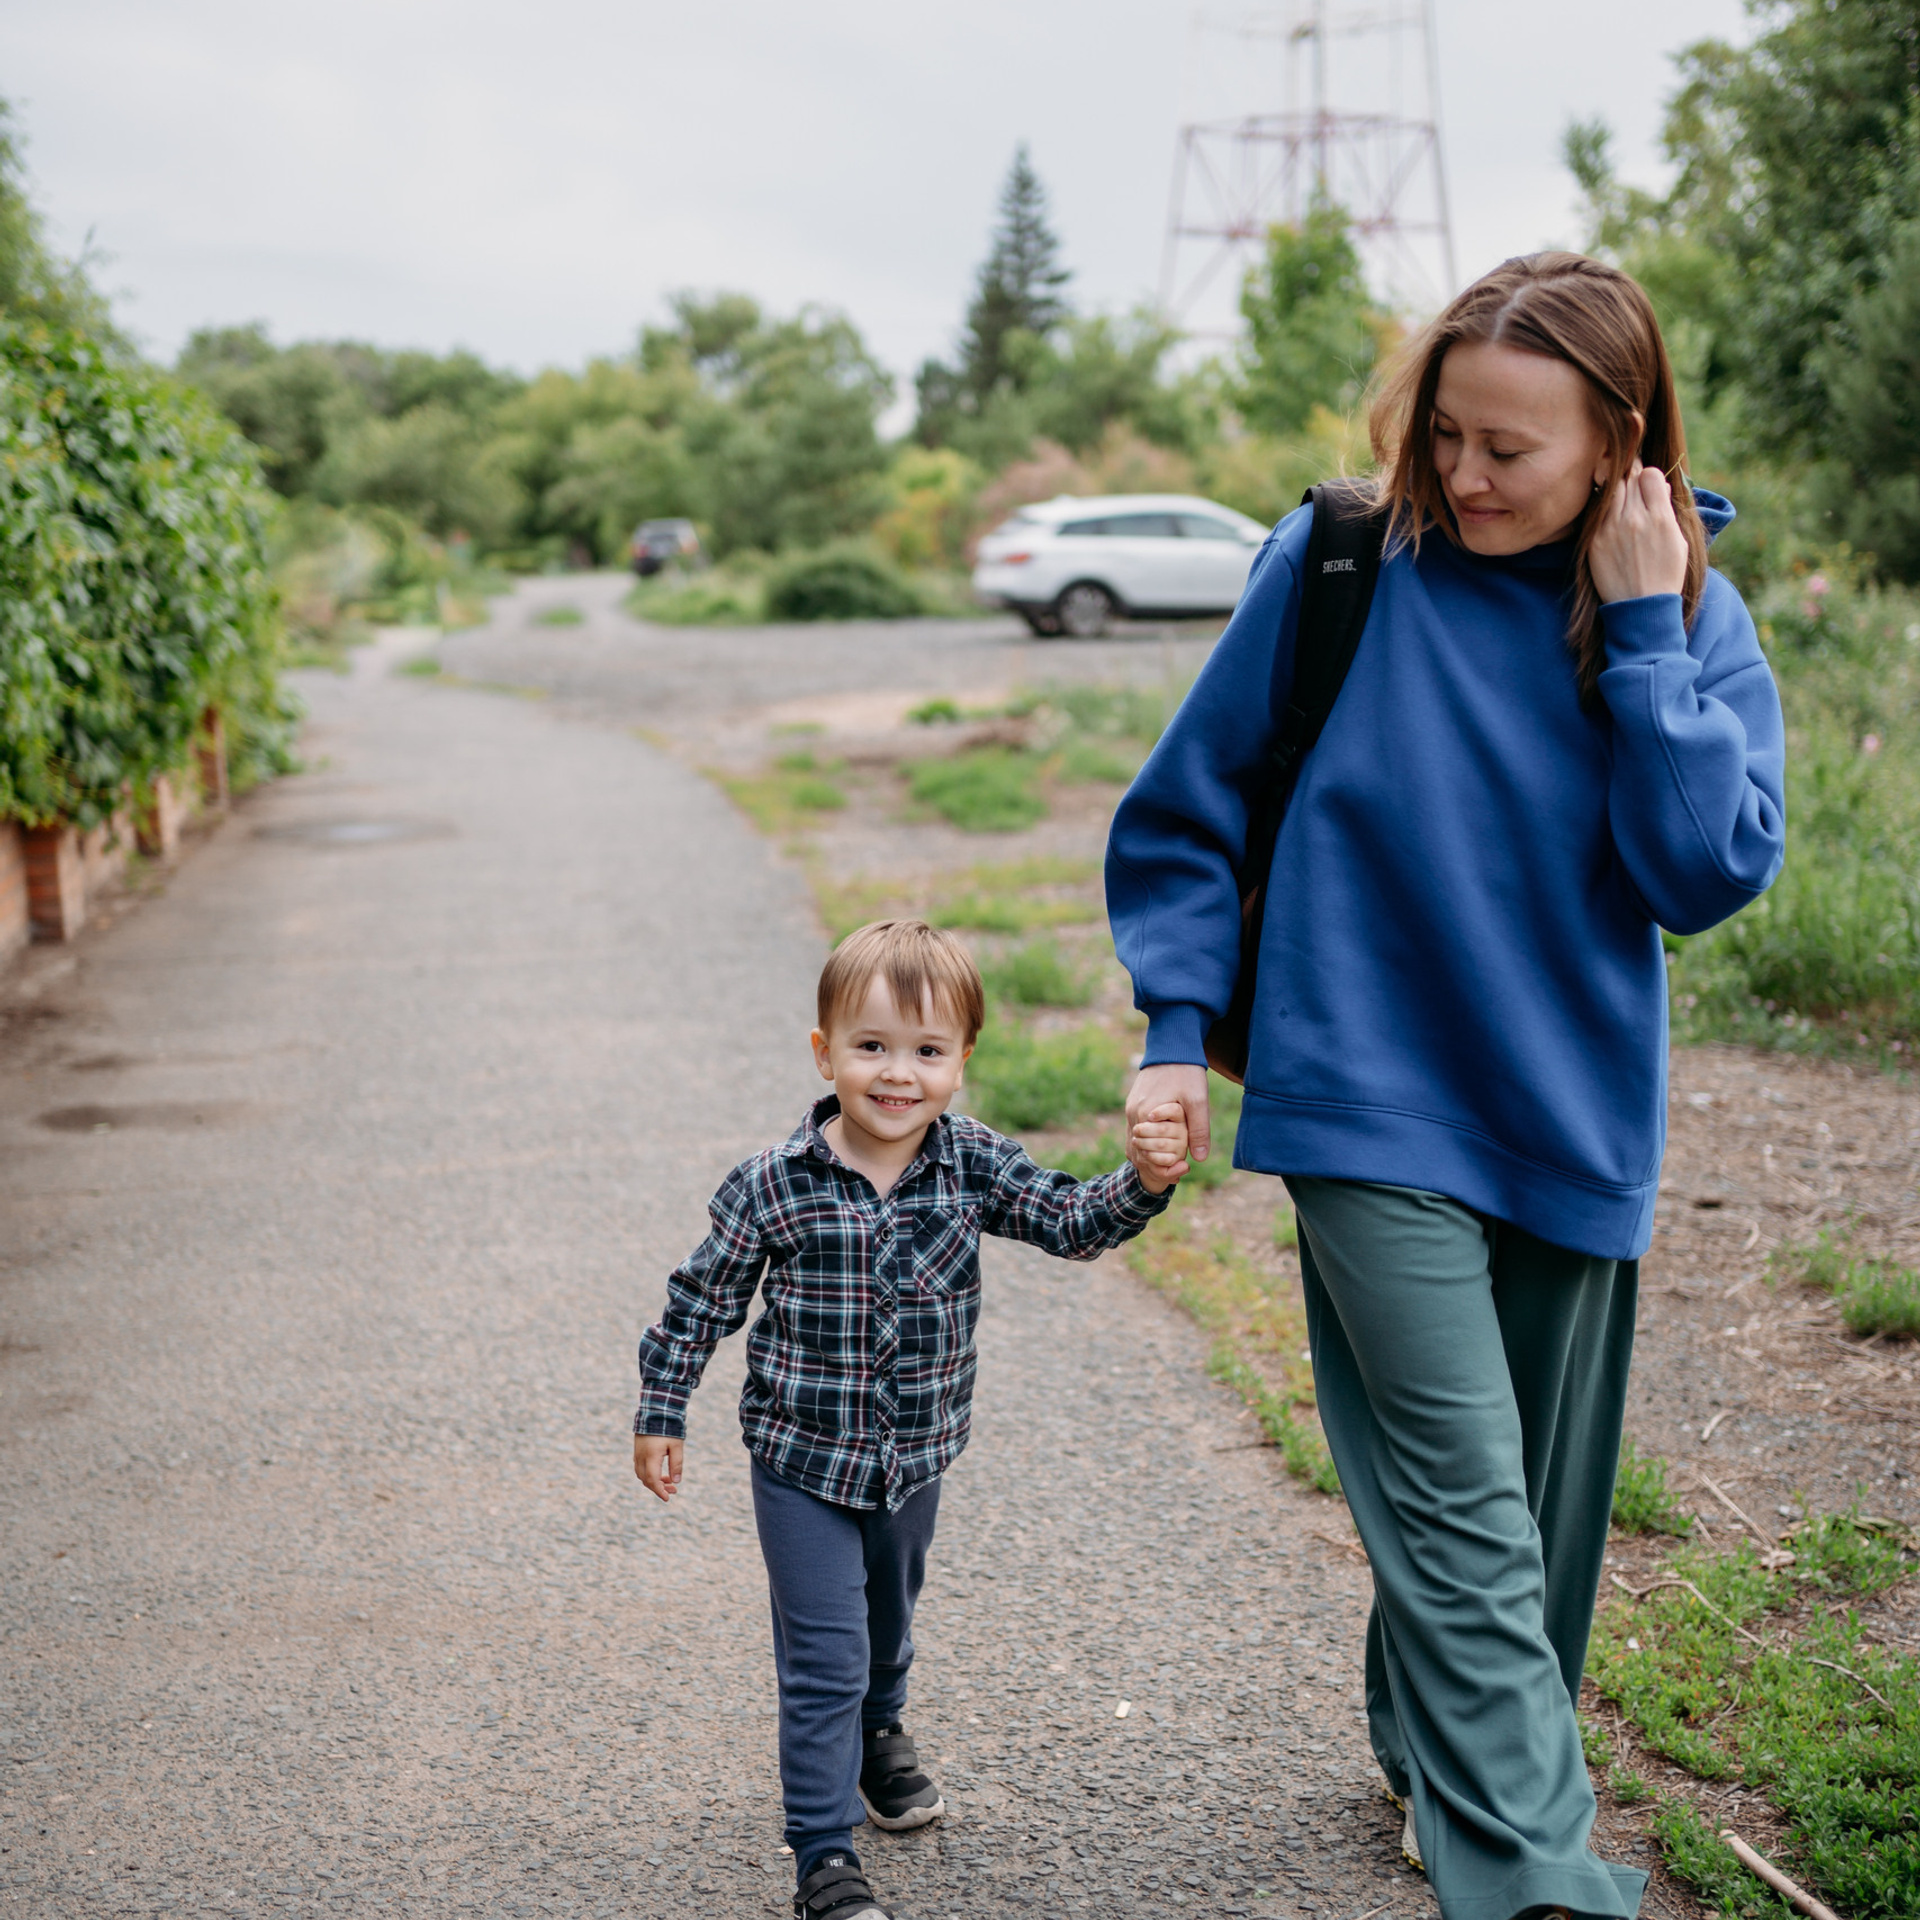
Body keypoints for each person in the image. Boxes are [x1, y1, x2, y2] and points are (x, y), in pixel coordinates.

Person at [1106, 252, 1785, 1920]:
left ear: (1621, 442)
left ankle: (1434, 1758)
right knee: (1471, 1506)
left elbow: (1701, 872)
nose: (1464, 477)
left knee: (1537, 1539)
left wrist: (1638, 632)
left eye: (1511, 451)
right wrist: (1175, 1031)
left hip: (1571, 1111)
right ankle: (1540, 1879)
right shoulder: (1340, 559)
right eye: (1447, 434)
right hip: (1359, 1097)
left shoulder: (1690, 612)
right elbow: (1187, 808)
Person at [633, 919, 1191, 1920]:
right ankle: (822, 1857)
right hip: (800, 1458)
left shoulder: (970, 1164)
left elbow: (1069, 1221)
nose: (899, 1075)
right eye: (873, 1047)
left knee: (887, 1626)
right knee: (825, 1657)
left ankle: (882, 1731)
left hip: (916, 1453)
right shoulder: (774, 1185)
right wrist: (663, 1404)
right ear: (825, 1052)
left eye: (928, 1052)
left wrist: (1142, 1184)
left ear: (962, 1064)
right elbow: (700, 1300)